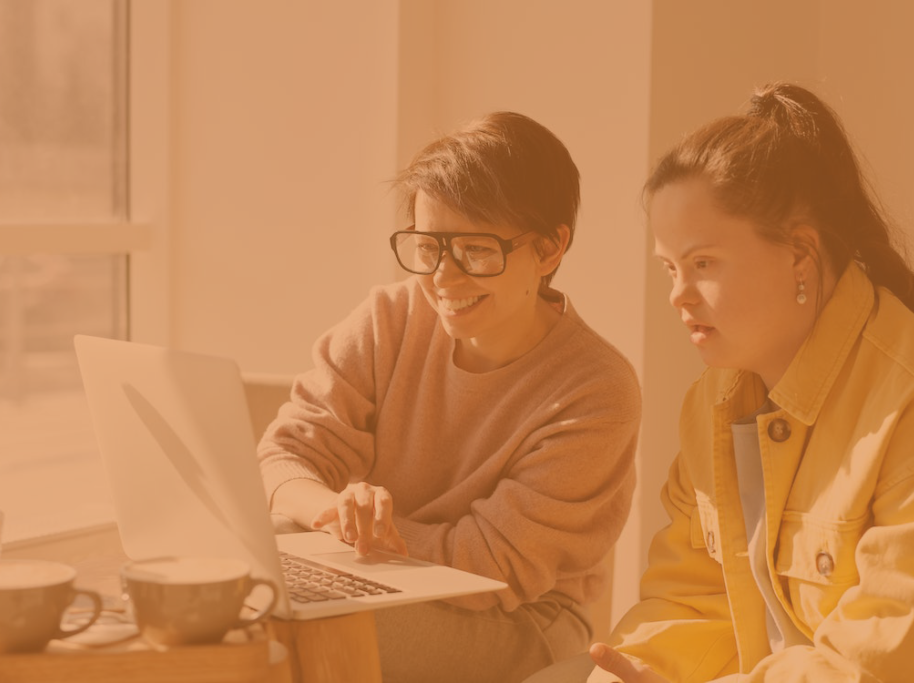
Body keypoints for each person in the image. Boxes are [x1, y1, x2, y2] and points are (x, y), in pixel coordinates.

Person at [529, 82, 914, 682]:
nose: (678, 295)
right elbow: (691, 603)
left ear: (799, 256)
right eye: (670, 268)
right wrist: (629, 673)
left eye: (703, 264)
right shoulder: (714, 400)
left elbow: (882, 668)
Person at [256, 111, 642, 683]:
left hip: (517, 617)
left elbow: (492, 566)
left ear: (550, 248)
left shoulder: (595, 390)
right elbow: (284, 456)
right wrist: (333, 514)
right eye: (428, 246)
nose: (443, 278)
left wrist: (380, 537)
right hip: (372, 571)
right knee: (232, 592)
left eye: (477, 251)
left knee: (297, 628)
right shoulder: (390, 317)